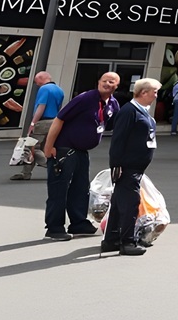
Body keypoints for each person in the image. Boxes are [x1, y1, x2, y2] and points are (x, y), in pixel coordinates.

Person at [40, 72, 120, 240]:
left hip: (82, 151)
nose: (107, 83)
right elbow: (59, 119)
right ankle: (54, 227)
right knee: (59, 189)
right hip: (64, 149)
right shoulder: (86, 98)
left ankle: (78, 223)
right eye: (104, 80)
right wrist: (49, 147)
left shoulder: (112, 104)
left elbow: (114, 124)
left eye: (111, 82)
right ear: (98, 82)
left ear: (116, 86)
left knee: (80, 188)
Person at [103, 78, 158, 256]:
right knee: (130, 204)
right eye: (154, 92)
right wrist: (116, 164)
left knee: (120, 203)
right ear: (143, 93)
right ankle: (127, 242)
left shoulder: (142, 111)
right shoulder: (129, 111)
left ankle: (111, 239)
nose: (156, 96)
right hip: (128, 167)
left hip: (136, 167)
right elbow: (118, 139)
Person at [10, 71, 62, 181]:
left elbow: (41, 106)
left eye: (36, 81)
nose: (36, 83)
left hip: (43, 122)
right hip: (54, 121)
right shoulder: (59, 90)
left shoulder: (44, 89)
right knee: (43, 147)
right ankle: (26, 173)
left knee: (31, 146)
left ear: (42, 78)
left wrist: (33, 123)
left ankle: (53, 167)